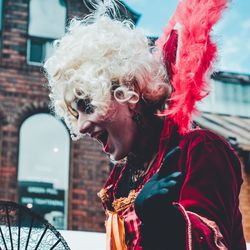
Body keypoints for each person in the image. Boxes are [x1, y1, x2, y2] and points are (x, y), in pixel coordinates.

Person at [44, 0, 246, 249]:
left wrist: (166, 220)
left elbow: (214, 241)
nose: (81, 127)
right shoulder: (122, 175)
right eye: (76, 116)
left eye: (88, 106)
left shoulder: (201, 149)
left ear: (128, 92)